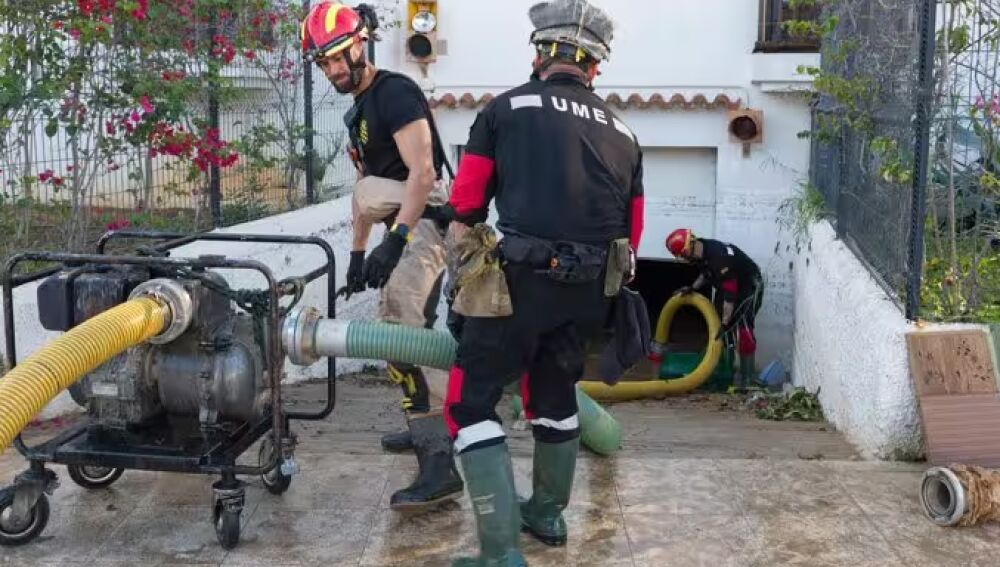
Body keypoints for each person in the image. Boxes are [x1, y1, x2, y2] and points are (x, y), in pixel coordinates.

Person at [429, 1, 644, 564]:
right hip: (590, 293)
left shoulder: (504, 109)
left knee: (469, 405)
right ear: (595, 67)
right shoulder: (625, 132)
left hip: (519, 284)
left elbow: (469, 203)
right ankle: (546, 515)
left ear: (539, 56)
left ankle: (500, 553)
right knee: (552, 398)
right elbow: (633, 231)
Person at [301, 1, 463, 511]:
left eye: (335, 58)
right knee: (401, 330)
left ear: (358, 44)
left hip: (430, 223)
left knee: (400, 328)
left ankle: (440, 465)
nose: (332, 71)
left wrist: (395, 241)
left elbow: (423, 176)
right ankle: (425, 429)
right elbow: (364, 190)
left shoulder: (395, 93)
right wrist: (356, 253)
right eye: (322, 63)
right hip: (400, 221)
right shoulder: (357, 113)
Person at [666, 228, 764, 385]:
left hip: (747, 287)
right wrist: (693, 288)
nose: (684, 259)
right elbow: (707, 273)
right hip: (727, 285)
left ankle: (748, 378)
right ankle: (727, 373)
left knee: (743, 331)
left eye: (684, 255)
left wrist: (725, 323)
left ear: (689, 246)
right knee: (721, 331)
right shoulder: (701, 250)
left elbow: (730, 297)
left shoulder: (720, 258)